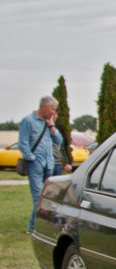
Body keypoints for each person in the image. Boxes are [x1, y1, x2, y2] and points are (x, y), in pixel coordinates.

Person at [18, 95, 65, 233]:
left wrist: (52, 127)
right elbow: (23, 143)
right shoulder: (28, 121)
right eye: (52, 109)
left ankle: (35, 226)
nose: (53, 112)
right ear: (44, 106)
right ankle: (33, 227)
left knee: (47, 197)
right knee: (39, 197)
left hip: (49, 164)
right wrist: (31, 158)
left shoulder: (48, 122)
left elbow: (59, 141)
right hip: (35, 165)